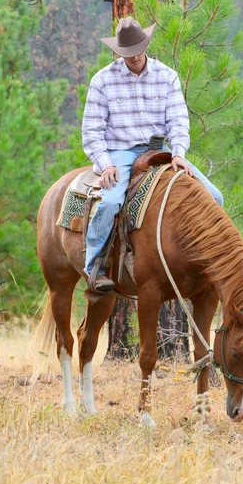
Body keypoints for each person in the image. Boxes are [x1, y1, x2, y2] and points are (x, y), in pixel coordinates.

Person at [82, 17, 223, 291]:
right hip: (121, 151)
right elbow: (91, 131)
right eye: (126, 52)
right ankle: (95, 266)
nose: (133, 56)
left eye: (137, 49)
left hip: (161, 150)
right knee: (110, 202)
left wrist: (179, 153)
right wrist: (105, 163)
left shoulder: (167, 76)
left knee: (215, 197)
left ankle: (204, 261)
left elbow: (179, 121)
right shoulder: (102, 81)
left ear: (145, 45)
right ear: (117, 52)